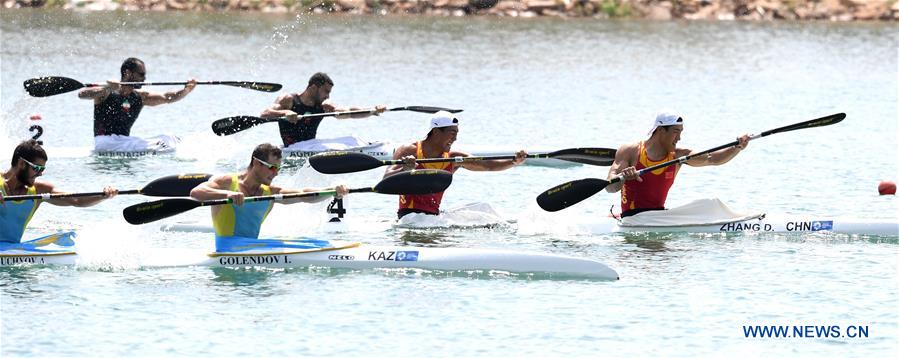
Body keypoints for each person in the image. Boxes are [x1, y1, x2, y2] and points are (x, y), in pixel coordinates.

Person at [190, 143, 349, 252]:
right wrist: (228, 194)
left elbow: (304, 195)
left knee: (310, 243)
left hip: (252, 247)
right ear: (256, 163)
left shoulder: (270, 192)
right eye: (272, 168)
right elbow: (196, 192)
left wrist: (331, 191)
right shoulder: (226, 182)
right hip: (227, 248)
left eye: (278, 169)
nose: (276, 173)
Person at [606, 111, 750, 218]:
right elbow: (610, 186)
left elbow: (712, 158)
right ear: (661, 130)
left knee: (710, 203)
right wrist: (623, 177)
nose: (679, 138)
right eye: (676, 132)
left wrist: (737, 147)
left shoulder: (679, 155)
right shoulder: (630, 151)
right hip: (633, 218)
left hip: (659, 217)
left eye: (681, 132)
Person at [384, 111, 527, 219]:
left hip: (434, 218)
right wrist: (405, 168)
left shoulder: (453, 158)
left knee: (484, 208)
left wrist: (514, 161)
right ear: (435, 131)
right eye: (452, 133)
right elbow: (385, 181)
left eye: (457, 133)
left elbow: (488, 165)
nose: (455, 138)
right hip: (410, 218)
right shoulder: (409, 150)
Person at [1, 140, 117, 244]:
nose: (40, 173)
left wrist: (104, 195)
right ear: (21, 163)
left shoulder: (39, 191)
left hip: (11, 250)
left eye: (42, 169)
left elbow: (76, 200)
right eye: (37, 168)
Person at [78, 57, 197, 153]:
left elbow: (167, 97)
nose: (144, 78)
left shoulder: (140, 97)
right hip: (106, 142)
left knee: (170, 138)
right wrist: (108, 88)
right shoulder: (105, 93)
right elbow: (82, 94)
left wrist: (186, 90)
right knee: (165, 144)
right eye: (141, 74)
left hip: (124, 142)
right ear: (127, 73)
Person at [260, 72, 387, 147]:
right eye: (326, 91)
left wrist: (372, 110)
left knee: (351, 140)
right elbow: (264, 114)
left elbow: (348, 112)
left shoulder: (324, 105)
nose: (328, 96)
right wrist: (285, 112)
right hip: (291, 149)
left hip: (311, 147)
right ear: (314, 88)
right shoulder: (289, 100)